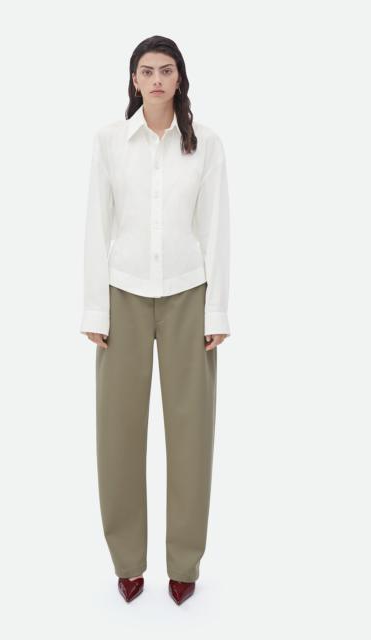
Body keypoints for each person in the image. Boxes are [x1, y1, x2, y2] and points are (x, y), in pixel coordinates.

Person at [80, 35, 231, 606]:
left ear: (180, 78)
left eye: (167, 70)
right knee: (118, 432)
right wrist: (95, 309)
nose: (158, 80)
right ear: (134, 80)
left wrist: (217, 310)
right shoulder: (109, 143)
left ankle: (185, 562)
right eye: (147, 71)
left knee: (192, 434)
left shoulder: (206, 145)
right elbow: (97, 225)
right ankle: (128, 562)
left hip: (189, 295)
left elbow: (216, 227)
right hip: (123, 295)